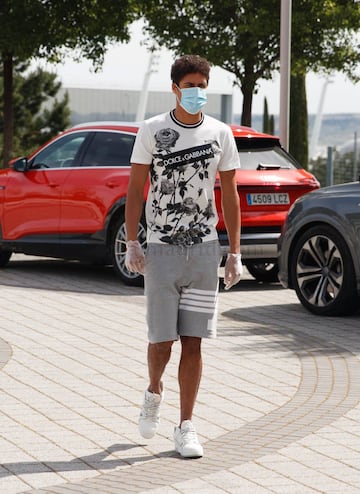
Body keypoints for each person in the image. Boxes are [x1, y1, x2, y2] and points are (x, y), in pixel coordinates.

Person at [125, 54, 242, 458]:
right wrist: (134, 242)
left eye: (203, 85)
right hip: (160, 250)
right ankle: (153, 389)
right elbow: (136, 187)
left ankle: (186, 426)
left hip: (204, 250)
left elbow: (229, 193)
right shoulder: (152, 130)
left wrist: (235, 253)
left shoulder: (220, 133)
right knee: (162, 341)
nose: (197, 92)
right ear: (175, 87)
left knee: (193, 342)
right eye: (190, 85)